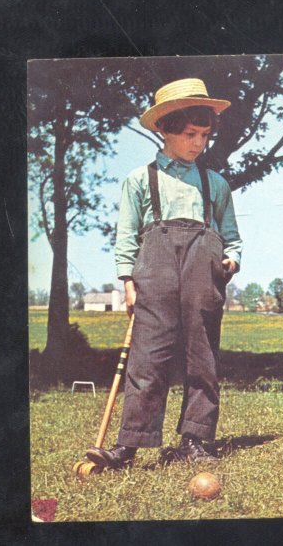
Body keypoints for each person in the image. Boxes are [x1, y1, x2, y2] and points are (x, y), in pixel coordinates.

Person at [87, 78, 242, 469]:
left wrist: (233, 258)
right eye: (190, 134)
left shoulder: (215, 183)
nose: (198, 144)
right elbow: (126, 235)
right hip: (153, 270)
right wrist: (126, 281)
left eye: (204, 135)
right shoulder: (140, 180)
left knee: (201, 354)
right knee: (148, 357)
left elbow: (231, 236)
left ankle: (197, 437)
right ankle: (129, 444)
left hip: (202, 272)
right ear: (164, 130)